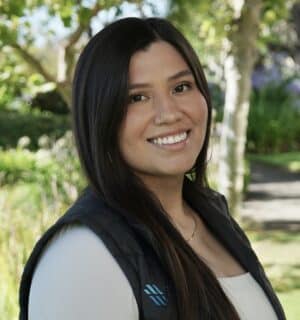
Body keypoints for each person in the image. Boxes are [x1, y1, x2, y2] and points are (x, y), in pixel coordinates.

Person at [19, 17, 286, 320]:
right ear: (101, 116)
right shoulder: (82, 257)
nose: (169, 113)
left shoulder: (214, 218)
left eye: (181, 87)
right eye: (138, 97)